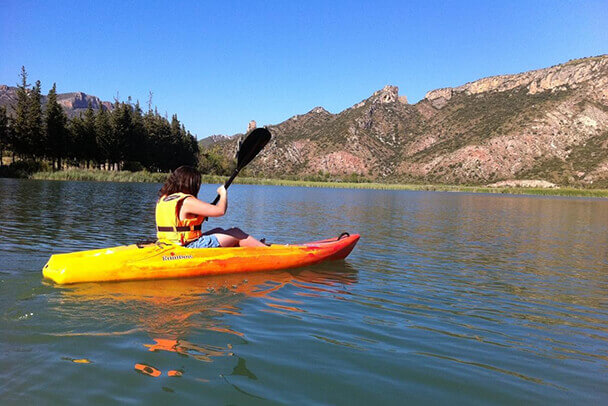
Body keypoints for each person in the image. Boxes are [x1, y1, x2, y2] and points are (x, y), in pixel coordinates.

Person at [156, 166, 266, 248]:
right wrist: (223, 194)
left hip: (168, 243)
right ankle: (265, 250)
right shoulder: (187, 200)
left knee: (219, 230)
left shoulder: (165, 198)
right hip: (186, 246)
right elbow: (220, 211)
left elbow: (183, 221)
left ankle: (253, 246)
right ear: (190, 183)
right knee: (237, 232)